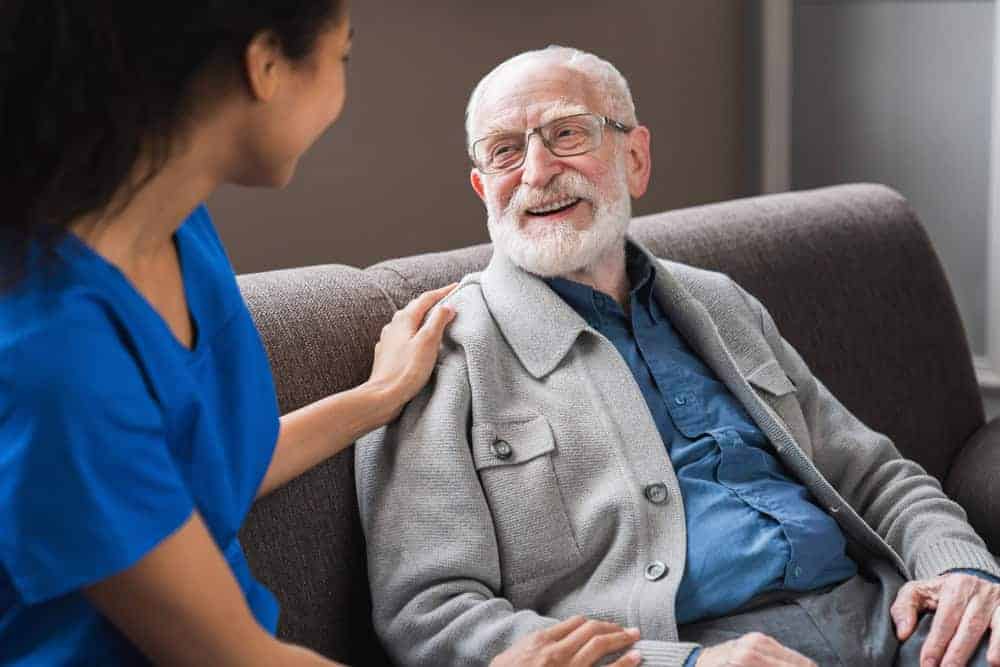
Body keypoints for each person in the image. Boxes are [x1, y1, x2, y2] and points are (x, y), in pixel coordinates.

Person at [356, 46, 1000, 667]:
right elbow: (431, 614)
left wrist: (959, 566)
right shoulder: (441, 354)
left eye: (567, 135)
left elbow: (871, 474)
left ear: (634, 157)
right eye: (504, 152)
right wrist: (683, 662)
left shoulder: (720, 302)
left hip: (893, 621)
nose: (535, 172)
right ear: (482, 187)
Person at [0, 2, 467, 665]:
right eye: (342, 58)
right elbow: (237, 656)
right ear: (267, 65)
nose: (342, 88)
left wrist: (379, 397)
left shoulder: (177, 226)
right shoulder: (48, 353)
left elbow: (197, 468)